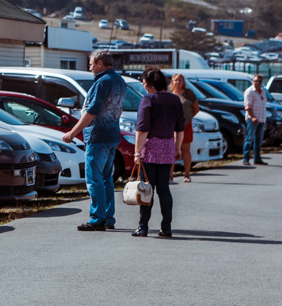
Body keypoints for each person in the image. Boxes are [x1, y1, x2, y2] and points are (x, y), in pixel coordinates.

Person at [63, 49, 128, 231]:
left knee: (94, 178)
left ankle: (97, 218)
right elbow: (119, 109)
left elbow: (92, 111)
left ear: (100, 64)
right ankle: (108, 217)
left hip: (98, 135)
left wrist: (72, 133)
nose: (90, 67)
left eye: (91, 63)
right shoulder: (119, 81)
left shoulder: (102, 83)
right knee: (106, 178)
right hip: (113, 134)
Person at [132, 68, 185, 238]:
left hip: (150, 149)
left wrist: (136, 153)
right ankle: (166, 227)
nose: (143, 85)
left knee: (147, 189)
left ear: (151, 84)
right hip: (168, 146)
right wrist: (177, 148)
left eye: (144, 82)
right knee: (164, 189)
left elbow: (142, 129)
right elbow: (180, 128)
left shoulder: (148, 100)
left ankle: (143, 227)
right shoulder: (175, 100)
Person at [170, 74, 199, 182]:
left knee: (185, 150)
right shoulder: (169, 94)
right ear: (172, 82)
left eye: (180, 80)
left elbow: (196, 108)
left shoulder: (189, 94)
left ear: (183, 82)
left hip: (185, 126)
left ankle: (187, 175)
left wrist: (188, 118)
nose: (178, 82)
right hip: (171, 127)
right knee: (171, 150)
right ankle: (170, 175)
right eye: (175, 80)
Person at [242, 74, 268, 166]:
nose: (257, 83)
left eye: (259, 81)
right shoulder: (249, 91)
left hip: (261, 118)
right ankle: (246, 158)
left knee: (259, 140)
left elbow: (263, 104)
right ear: (253, 81)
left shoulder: (262, 92)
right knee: (249, 139)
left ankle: (257, 158)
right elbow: (247, 106)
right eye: (256, 81)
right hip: (252, 119)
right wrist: (252, 117)